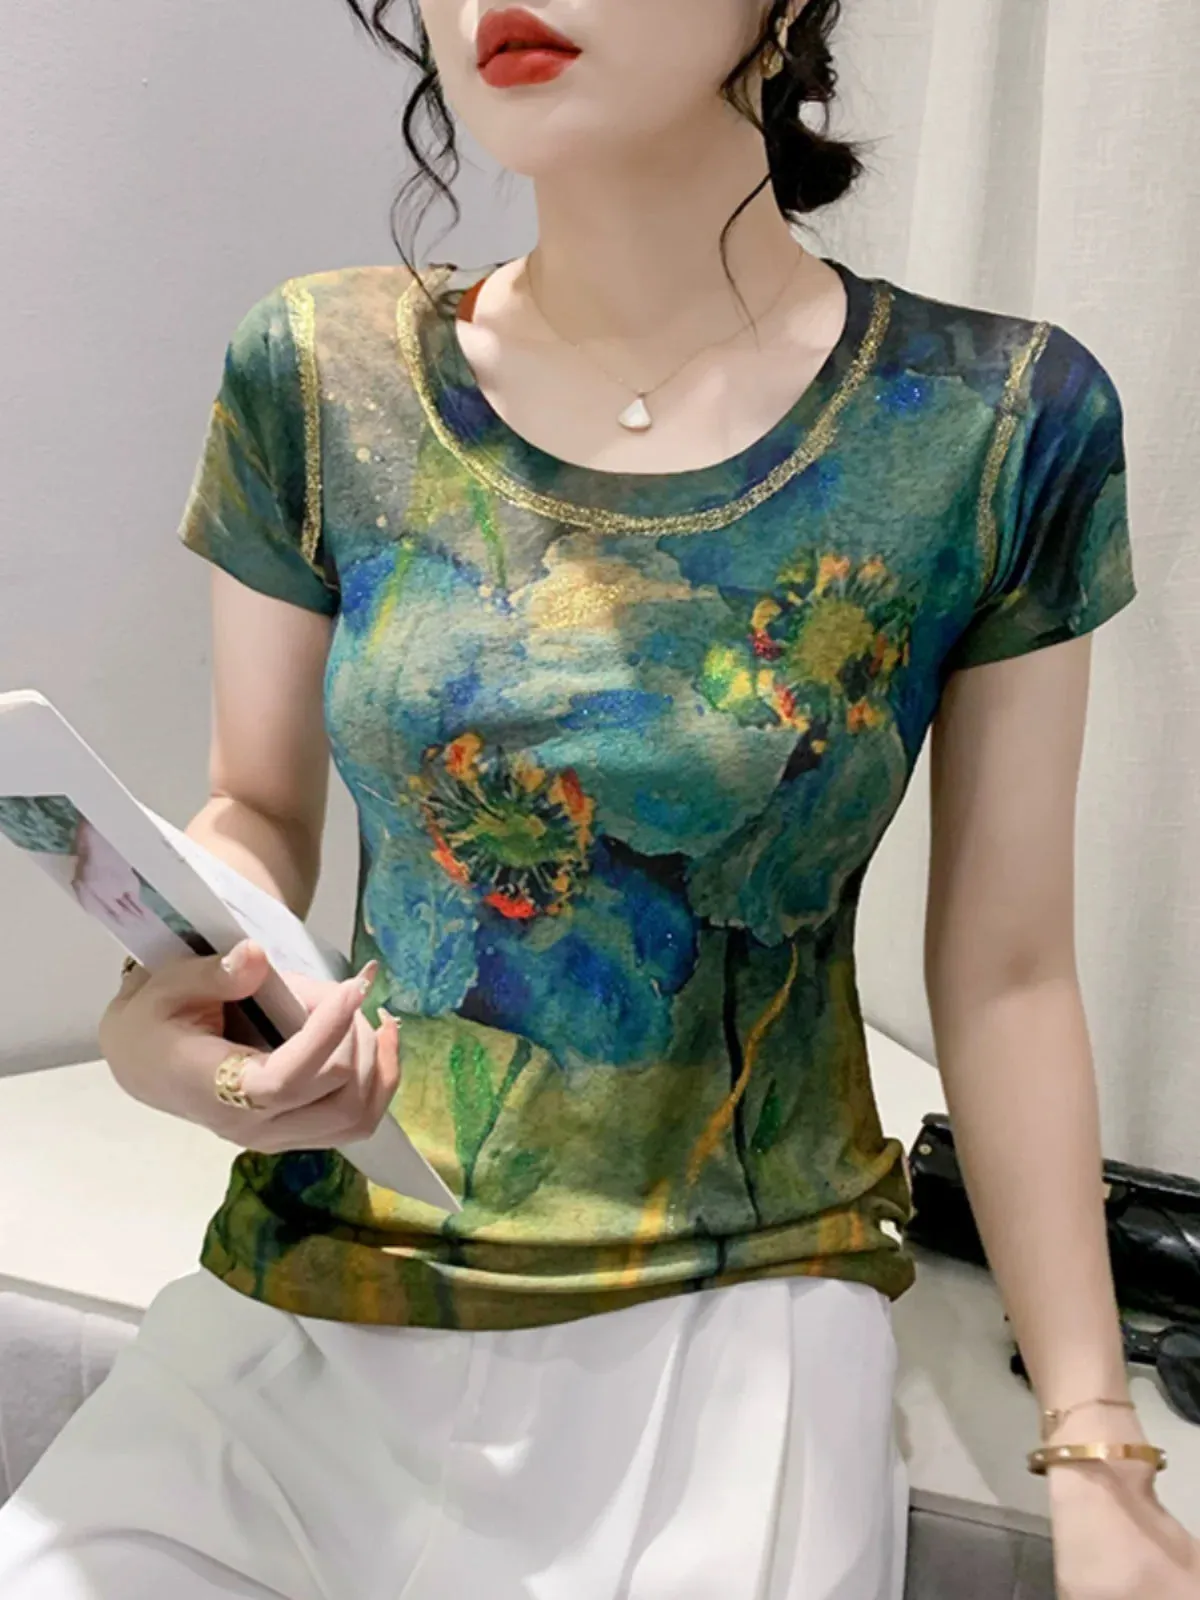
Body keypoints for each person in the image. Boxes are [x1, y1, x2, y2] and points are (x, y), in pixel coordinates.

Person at [1, 1, 1196, 1595]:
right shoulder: (318, 371)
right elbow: (257, 816)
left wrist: (1098, 1441)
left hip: (733, 1323)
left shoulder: (992, 423)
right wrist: (180, 1010)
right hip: (318, 1299)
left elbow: (1009, 971)